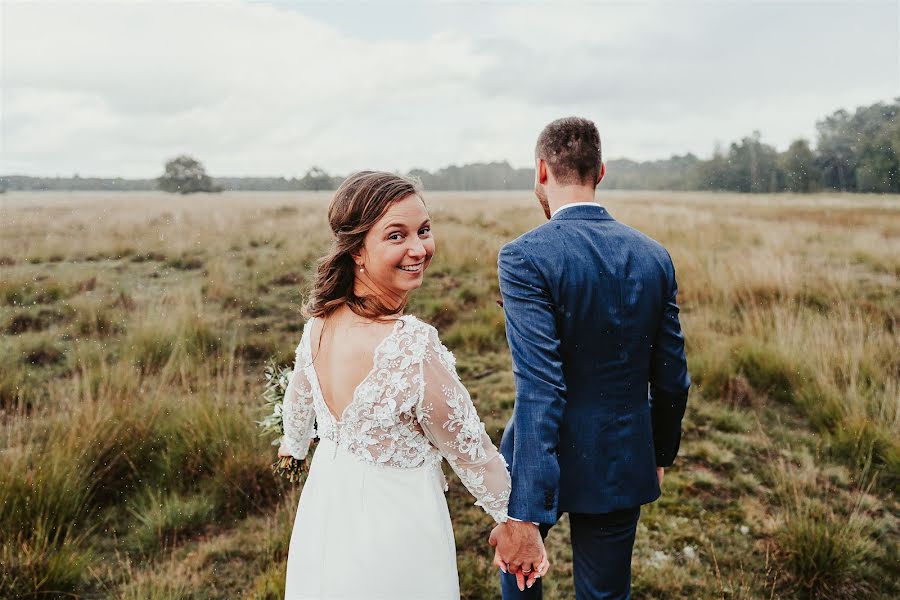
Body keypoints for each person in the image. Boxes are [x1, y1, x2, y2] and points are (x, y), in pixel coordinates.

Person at [277, 171, 548, 599]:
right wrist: (516, 524)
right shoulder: (410, 345)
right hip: (397, 528)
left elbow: (297, 403)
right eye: (396, 236)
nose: (418, 248)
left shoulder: (318, 325)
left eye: (423, 230)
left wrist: (292, 447)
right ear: (357, 252)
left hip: (325, 512)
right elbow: (473, 455)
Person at [489, 117, 691, 599]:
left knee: (520, 573)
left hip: (540, 455)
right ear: (601, 171)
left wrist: (524, 508)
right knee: (606, 593)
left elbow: (539, 386)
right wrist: (659, 451)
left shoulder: (523, 256)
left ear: (541, 170)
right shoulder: (653, 254)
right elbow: (672, 378)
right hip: (621, 453)